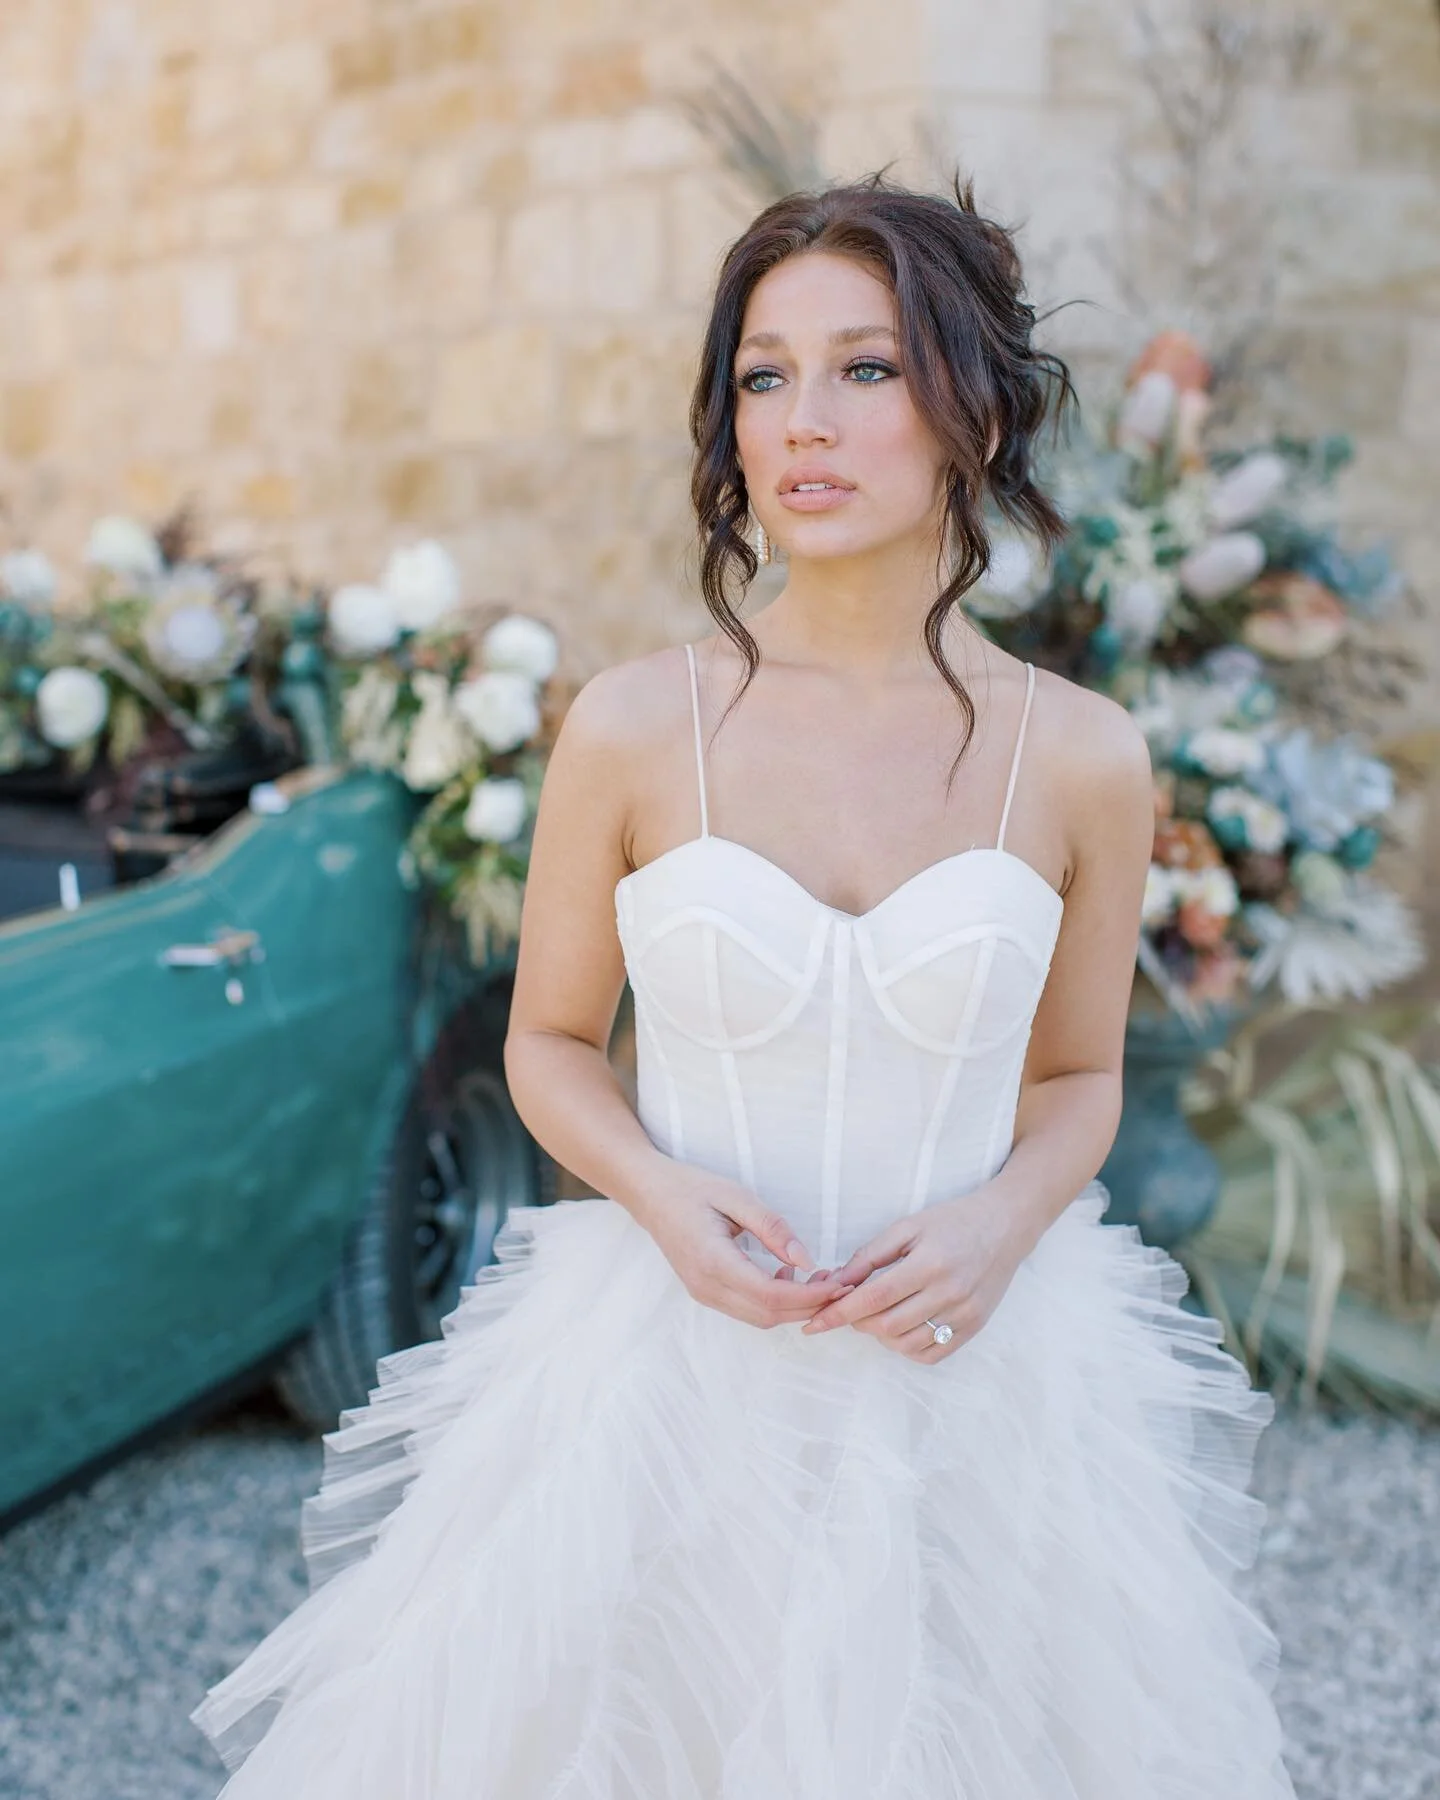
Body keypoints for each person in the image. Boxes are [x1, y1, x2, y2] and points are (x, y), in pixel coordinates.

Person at [192, 174, 1296, 1798]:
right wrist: (654, 1189)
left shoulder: (1082, 757)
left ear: (971, 404)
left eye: (866, 367)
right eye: (765, 376)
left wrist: (998, 1225)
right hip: (662, 1373)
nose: (805, 422)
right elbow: (552, 1043)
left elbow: (1079, 1085)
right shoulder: (637, 727)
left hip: (974, 1378)